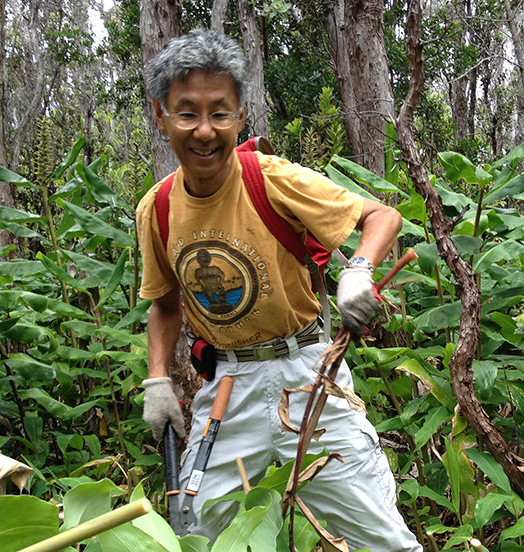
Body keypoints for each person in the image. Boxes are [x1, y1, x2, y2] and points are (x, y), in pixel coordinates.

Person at [136, 28, 422, 552]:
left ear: (240, 116)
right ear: (161, 116)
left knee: (380, 537)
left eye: (220, 113)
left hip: (306, 372)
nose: (205, 130)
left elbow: (382, 216)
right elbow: (164, 303)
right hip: (225, 386)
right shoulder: (156, 209)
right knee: (196, 533)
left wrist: (358, 269)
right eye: (187, 112)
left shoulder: (272, 179)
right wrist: (157, 380)